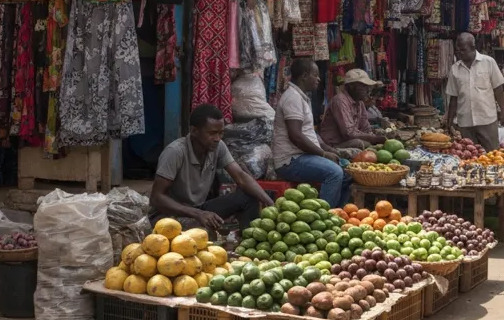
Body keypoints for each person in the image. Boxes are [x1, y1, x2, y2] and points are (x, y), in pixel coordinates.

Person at [150, 104, 276, 234]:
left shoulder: (218, 146)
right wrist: (198, 213)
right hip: (169, 215)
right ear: (194, 131)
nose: (217, 138)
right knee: (204, 232)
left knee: (248, 196)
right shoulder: (175, 152)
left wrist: (269, 202)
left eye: (221, 133)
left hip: (199, 209)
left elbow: (240, 176)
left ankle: (249, 242)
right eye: (212, 133)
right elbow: (156, 198)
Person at [273, 58, 352, 208]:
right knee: (334, 173)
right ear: (304, 76)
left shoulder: (302, 97)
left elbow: (310, 133)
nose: (318, 79)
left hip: (304, 156)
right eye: (315, 75)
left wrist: (330, 150)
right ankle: (325, 217)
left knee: (348, 170)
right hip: (291, 160)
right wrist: (323, 154)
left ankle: (338, 212)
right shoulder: (292, 98)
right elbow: (296, 136)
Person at [445, 32, 504, 152]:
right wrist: (449, 122)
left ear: (473, 48)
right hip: (465, 122)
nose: (459, 52)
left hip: (487, 119)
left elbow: (498, 89)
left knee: (493, 155)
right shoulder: (455, 69)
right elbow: (453, 98)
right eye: (458, 50)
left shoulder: (488, 62)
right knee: (469, 157)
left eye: (463, 49)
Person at [319, 69, 386, 150]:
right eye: (363, 86)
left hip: (347, 141)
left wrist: (375, 135)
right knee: (359, 143)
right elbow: (348, 133)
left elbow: (365, 127)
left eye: (368, 87)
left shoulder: (359, 102)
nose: (368, 90)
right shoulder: (340, 100)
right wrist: (374, 139)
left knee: (372, 144)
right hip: (333, 146)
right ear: (351, 86)